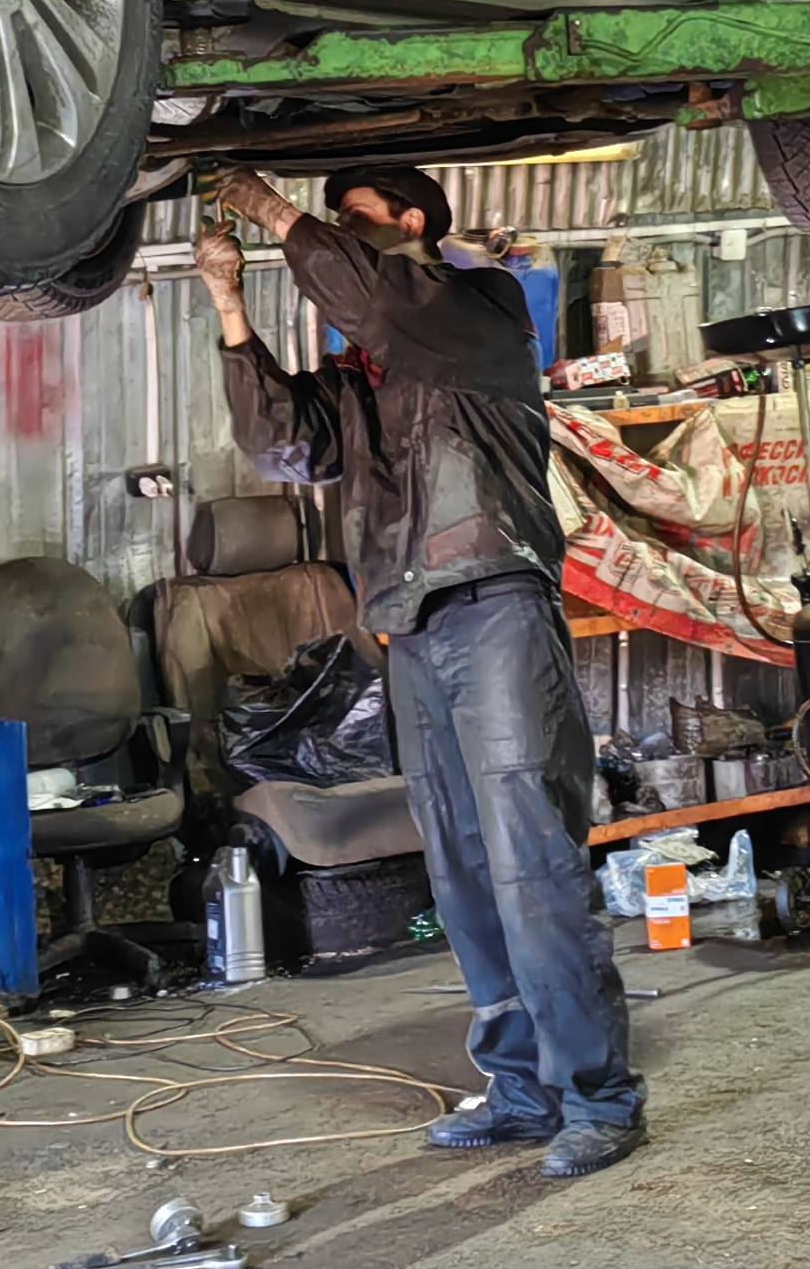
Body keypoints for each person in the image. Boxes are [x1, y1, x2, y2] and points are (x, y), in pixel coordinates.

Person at [194, 164, 643, 1179]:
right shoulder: (364, 376)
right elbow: (280, 446)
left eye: (355, 221)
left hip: (494, 603)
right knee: (462, 866)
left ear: (412, 222)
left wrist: (269, 208)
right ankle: (522, 1090)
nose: (334, 240)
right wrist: (228, 303)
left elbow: (372, 295)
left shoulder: (475, 308)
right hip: (409, 626)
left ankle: (600, 1098)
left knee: (530, 857)